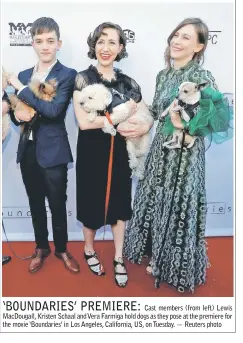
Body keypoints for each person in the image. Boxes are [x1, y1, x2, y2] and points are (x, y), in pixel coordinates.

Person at [123, 18, 231, 293]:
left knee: (179, 203)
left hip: (185, 156)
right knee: (157, 199)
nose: (177, 41)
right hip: (161, 149)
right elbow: (158, 109)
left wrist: (188, 127)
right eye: (176, 35)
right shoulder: (163, 75)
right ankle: (157, 255)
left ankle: (174, 264)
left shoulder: (199, 76)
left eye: (186, 37)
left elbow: (219, 117)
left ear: (199, 46)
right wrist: (141, 117)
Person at [7, 17, 79, 274]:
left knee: (58, 204)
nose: (45, 46)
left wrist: (19, 88)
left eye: (50, 41)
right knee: (35, 203)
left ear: (58, 43)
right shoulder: (25, 74)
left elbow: (54, 111)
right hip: (27, 151)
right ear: (32, 43)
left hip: (54, 152)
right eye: (39, 41)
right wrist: (16, 114)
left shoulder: (67, 74)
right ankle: (41, 247)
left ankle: (61, 248)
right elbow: (14, 106)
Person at [73, 22, 141, 287]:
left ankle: (118, 256)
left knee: (120, 205)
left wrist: (142, 124)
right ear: (94, 45)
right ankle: (89, 249)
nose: (106, 47)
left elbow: (142, 113)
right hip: (91, 152)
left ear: (121, 47)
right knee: (91, 201)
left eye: (112, 42)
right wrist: (118, 116)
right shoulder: (82, 78)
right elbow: (84, 122)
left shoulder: (129, 83)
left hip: (121, 151)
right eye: (101, 41)